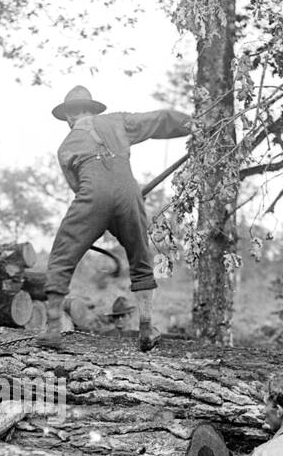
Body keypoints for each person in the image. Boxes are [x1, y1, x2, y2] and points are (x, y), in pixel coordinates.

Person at [36, 85, 191, 353]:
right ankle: (146, 328)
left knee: (62, 256)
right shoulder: (118, 121)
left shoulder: (65, 147)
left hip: (92, 197)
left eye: (69, 118)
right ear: (91, 109)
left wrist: (101, 212)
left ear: (70, 116)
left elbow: (80, 189)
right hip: (129, 196)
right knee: (140, 257)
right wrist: (193, 126)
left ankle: (51, 329)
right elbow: (159, 120)